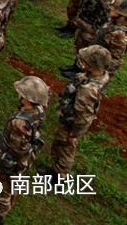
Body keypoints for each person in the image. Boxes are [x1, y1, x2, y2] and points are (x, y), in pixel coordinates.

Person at [0, 76, 49, 225]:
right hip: (24, 159)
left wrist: (2, 161)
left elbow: (16, 149)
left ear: (26, 98)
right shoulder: (38, 111)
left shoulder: (19, 124)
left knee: (2, 189)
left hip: (10, 163)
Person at [39, 46, 111, 178]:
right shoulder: (98, 76)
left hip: (71, 124)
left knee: (65, 148)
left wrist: (74, 134)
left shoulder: (88, 90)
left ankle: (59, 176)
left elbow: (84, 116)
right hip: (70, 114)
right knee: (61, 144)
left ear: (93, 65)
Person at [60, 0, 119, 77]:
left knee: (88, 51)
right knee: (79, 46)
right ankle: (76, 66)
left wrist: (97, 28)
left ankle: (81, 71)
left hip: (92, 28)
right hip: (85, 23)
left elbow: (109, 15)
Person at [94, 0, 126, 77]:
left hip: (100, 65)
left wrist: (100, 73)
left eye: (115, 12)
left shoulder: (120, 36)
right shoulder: (116, 21)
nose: (111, 13)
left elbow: (115, 59)